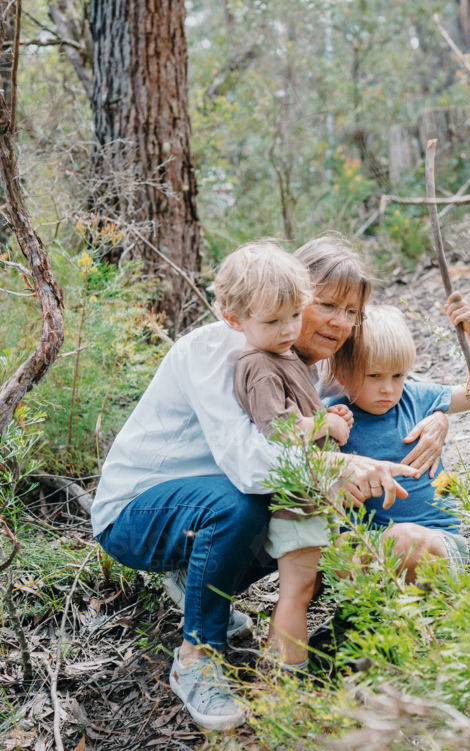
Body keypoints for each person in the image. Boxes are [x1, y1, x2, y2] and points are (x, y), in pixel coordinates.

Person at [89, 234, 450, 731]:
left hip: (203, 507)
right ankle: (199, 656)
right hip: (136, 514)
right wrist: (336, 468)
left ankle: (210, 584)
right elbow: (250, 467)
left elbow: (387, 384)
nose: (340, 324)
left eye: (352, 312)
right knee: (245, 505)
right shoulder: (222, 355)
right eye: (324, 306)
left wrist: (437, 418)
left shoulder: (299, 355)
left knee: (313, 530)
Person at [215, 241, 353, 671]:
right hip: (296, 499)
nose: (289, 329)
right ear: (235, 319)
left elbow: (295, 413)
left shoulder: (281, 354)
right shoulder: (257, 364)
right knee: (297, 591)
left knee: (306, 587)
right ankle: (286, 680)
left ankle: (303, 667)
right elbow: (277, 429)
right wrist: (326, 426)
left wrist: (325, 412)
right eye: (274, 320)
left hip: (311, 494)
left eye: (295, 315)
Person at [328, 299, 470, 582]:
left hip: (435, 540)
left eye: (398, 375)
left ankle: (413, 602)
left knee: (404, 541)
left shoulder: (417, 399)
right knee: (337, 556)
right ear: (342, 371)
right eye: (375, 376)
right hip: (370, 543)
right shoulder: (333, 413)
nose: (388, 388)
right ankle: (387, 609)